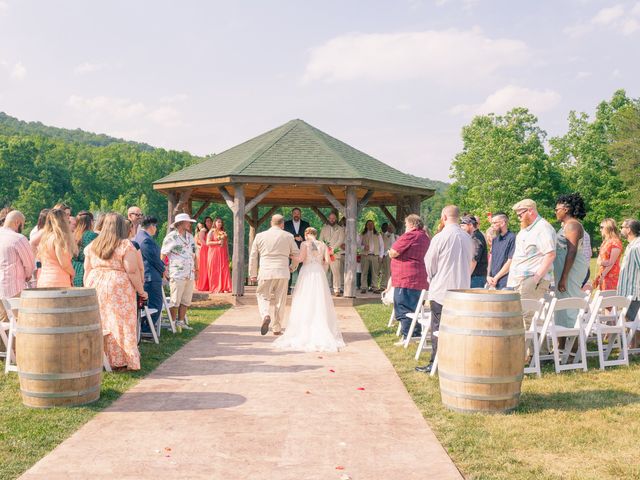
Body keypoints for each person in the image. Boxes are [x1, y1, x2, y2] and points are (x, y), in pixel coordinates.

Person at [84, 213, 146, 371]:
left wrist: (87, 288)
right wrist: (141, 291)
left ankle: (101, 358)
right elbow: (132, 270)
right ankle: (120, 360)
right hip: (118, 287)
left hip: (95, 283)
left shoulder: (93, 245)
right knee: (121, 323)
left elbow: (87, 269)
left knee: (102, 321)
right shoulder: (125, 244)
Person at [416, 205, 473, 374]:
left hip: (442, 289)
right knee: (458, 328)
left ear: (444, 217)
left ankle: (437, 363)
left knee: (438, 327)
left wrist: (433, 277)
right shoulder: (467, 237)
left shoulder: (440, 237)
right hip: (463, 289)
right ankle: (456, 361)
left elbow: (429, 262)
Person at [273, 227, 345, 352]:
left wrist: (290, 256)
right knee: (319, 299)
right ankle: (321, 327)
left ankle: (303, 327)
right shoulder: (323, 245)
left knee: (304, 298)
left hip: (307, 272)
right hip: (319, 273)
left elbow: (301, 259)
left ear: (306, 234)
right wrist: (322, 264)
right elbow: (328, 261)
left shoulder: (304, 244)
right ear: (315, 234)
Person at [249, 214, 300, 336]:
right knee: (280, 300)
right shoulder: (288, 236)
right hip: (282, 271)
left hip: (266, 271)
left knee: (262, 295)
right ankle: (277, 328)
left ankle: (265, 314)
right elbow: (296, 254)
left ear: (271, 223)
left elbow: (253, 256)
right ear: (282, 224)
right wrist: (292, 267)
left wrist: (253, 273)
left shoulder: (260, 236)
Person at [507, 199, 556, 321]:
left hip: (532, 280)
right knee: (520, 318)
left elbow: (550, 254)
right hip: (520, 280)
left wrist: (535, 279)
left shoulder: (543, 228)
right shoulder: (527, 229)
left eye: (520, 214)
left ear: (530, 211)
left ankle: (531, 341)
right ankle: (532, 340)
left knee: (527, 319)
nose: (519, 218)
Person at [388, 214, 430, 343]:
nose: (405, 227)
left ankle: (408, 335)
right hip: (420, 277)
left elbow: (394, 252)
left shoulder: (410, 235)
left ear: (411, 224)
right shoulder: (425, 237)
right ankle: (415, 333)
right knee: (415, 307)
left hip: (405, 277)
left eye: (406, 224)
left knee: (403, 307)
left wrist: (389, 251)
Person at [553, 193, 589, 327]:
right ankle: (562, 346)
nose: (555, 212)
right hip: (564, 268)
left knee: (570, 306)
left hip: (570, 270)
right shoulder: (566, 225)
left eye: (557, 210)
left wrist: (564, 277)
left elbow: (572, 251)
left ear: (566, 209)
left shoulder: (572, 225)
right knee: (562, 306)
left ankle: (573, 345)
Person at [161, 213, 197, 331]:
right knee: (175, 300)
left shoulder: (190, 237)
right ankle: (172, 323)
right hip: (177, 272)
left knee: (186, 299)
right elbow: (164, 253)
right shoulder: (171, 237)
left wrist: (196, 268)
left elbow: (194, 253)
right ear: (180, 224)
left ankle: (181, 322)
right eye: (187, 222)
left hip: (189, 272)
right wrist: (163, 270)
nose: (189, 224)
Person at [0, 211, 35, 322]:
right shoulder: (18, 239)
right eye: (22, 225)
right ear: (17, 222)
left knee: (3, 324)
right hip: (13, 288)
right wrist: (28, 275)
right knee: (17, 322)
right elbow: (30, 264)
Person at [135, 216, 165, 334]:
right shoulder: (145, 240)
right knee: (155, 304)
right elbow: (153, 259)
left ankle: (145, 329)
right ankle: (146, 330)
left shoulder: (140, 237)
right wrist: (163, 270)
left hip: (148, 275)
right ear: (151, 226)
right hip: (150, 277)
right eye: (156, 226)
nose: (156, 229)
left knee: (150, 305)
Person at [37, 208, 77, 288]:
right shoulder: (59, 238)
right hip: (59, 281)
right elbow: (64, 263)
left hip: (44, 280)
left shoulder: (45, 238)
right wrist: (73, 273)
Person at [617, 219, 640, 348]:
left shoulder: (637, 247)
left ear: (629, 229)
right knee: (628, 318)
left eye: (622, 227)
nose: (621, 229)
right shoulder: (631, 245)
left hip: (634, 290)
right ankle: (633, 345)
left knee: (633, 319)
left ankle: (635, 346)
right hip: (628, 290)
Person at [486, 212, 516, 290]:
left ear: (502, 223)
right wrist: (488, 275)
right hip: (492, 282)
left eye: (494, 223)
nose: (492, 225)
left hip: (505, 282)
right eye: (491, 223)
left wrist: (496, 278)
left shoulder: (512, 238)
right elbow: (491, 259)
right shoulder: (495, 239)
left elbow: (510, 262)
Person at [319, 211, 345, 296]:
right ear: (328, 219)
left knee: (336, 273)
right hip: (324, 254)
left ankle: (336, 289)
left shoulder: (340, 229)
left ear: (336, 219)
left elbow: (340, 240)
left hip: (335, 254)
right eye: (330, 218)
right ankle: (322, 289)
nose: (332, 220)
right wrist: (325, 250)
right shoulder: (324, 228)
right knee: (323, 272)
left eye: (333, 218)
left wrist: (332, 249)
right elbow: (320, 239)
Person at [284, 208, 309, 293]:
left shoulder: (306, 224)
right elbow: (284, 235)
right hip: (288, 250)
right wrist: (294, 237)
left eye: (298, 213)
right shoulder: (286, 224)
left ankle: (302, 289)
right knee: (288, 268)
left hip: (302, 249)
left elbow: (308, 236)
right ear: (292, 214)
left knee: (301, 269)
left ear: (300, 214)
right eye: (295, 213)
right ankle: (287, 289)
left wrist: (302, 238)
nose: (296, 215)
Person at [594, 218, 623, 291]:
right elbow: (599, 259)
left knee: (610, 298)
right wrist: (601, 263)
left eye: (602, 227)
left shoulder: (616, 242)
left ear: (608, 228)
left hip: (611, 275)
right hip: (603, 273)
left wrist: (603, 275)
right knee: (603, 298)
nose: (600, 229)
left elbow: (611, 263)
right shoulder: (605, 242)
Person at [71, 211, 98, 287]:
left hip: (72, 271)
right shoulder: (92, 236)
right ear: (91, 222)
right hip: (86, 271)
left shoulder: (72, 235)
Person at [460, 215, 488, 288]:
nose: (461, 228)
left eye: (463, 226)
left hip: (476, 277)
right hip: (475, 276)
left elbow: (474, 260)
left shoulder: (475, 238)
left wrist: (466, 277)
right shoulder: (474, 236)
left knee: (474, 299)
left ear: (471, 225)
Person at [206, 217, 232, 293]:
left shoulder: (223, 232)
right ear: (215, 223)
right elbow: (208, 243)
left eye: (221, 222)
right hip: (214, 253)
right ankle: (216, 287)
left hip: (222, 253)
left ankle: (225, 287)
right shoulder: (211, 231)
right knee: (215, 270)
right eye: (218, 222)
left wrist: (227, 254)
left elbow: (226, 244)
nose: (220, 223)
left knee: (224, 269)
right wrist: (217, 242)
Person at [358, 220, 384, 294]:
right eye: (369, 224)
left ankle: (375, 287)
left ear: (374, 225)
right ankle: (363, 287)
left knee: (375, 272)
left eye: (372, 224)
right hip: (365, 255)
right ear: (366, 225)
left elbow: (381, 246)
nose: (370, 226)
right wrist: (363, 247)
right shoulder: (362, 234)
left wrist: (381, 256)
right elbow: (358, 244)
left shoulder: (378, 234)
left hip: (375, 255)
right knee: (364, 272)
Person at [196, 217, 213, 291]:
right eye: (207, 221)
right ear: (205, 223)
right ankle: (203, 285)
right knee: (204, 267)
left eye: (210, 221)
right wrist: (208, 245)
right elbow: (201, 240)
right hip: (205, 250)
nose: (209, 223)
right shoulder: (203, 230)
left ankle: (211, 284)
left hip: (211, 250)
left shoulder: (213, 230)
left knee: (211, 266)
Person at [381, 223, 397, 291]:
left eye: (392, 228)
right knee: (386, 271)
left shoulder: (395, 236)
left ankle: (392, 286)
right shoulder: (384, 235)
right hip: (387, 254)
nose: (391, 229)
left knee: (392, 271)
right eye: (390, 227)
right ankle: (384, 285)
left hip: (394, 255)